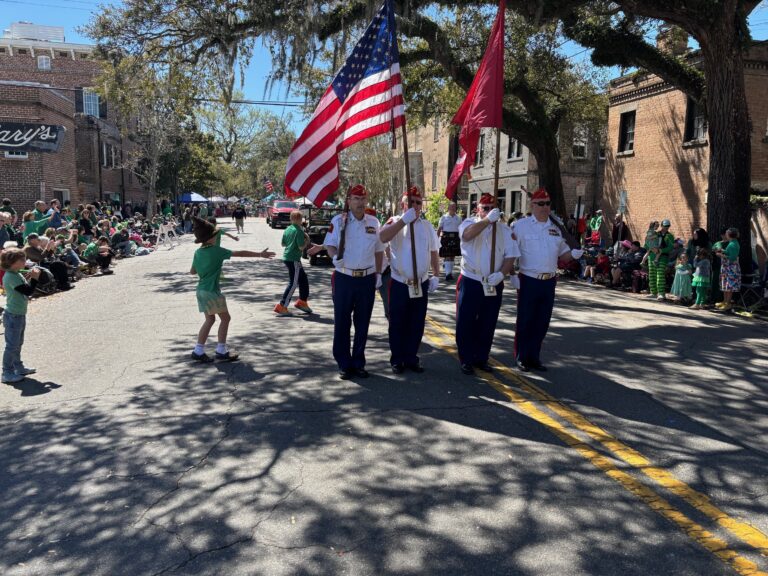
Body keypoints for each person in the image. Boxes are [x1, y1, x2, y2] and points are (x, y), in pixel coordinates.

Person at [513, 188, 583, 372]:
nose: (545, 207)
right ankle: (522, 356)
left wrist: (574, 254)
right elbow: (511, 252)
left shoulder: (556, 228)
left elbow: (564, 255)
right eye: (540, 204)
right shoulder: (521, 226)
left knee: (542, 321)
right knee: (526, 320)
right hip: (528, 279)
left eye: (547, 204)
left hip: (549, 281)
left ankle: (534, 356)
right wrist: (511, 274)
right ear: (532, 205)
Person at [189, 217, 275, 362]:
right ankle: (221, 350)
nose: (217, 236)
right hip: (212, 291)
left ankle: (198, 350)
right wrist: (260, 254)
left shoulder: (198, 252)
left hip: (201, 291)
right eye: (216, 234)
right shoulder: (216, 251)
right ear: (211, 238)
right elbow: (240, 253)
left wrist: (206, 267)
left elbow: (192, 272)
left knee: (209, 320)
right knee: (226, 318)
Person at [321, 185, 384, 380]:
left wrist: (379, 274)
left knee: (363, 323)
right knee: (342, 322)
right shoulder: (339, 221)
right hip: (344, 277)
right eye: (355, 199)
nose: (360, 202)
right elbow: (329, 244)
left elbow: (379, 250)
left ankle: (358, 362)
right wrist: (334, 257)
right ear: (348, 201)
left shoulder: (374, 222)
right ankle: (343, 362)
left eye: (362, 199)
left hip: (366, 278)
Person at [455, 193, 519, 376]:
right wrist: (486, 221)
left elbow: (510, 255)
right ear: (478, 209)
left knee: (487, 322)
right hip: (471, 280)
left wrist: (502, 274)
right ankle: (466, 358)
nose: (490, 211)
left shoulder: (504, 230)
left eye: (493, 208)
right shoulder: (469, 223)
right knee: (466, 322)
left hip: (493, 282)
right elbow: (467, 236)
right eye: (485, 208)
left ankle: (481, 357)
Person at [379, 187, 440, 374]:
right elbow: (382, 237)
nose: (414, 205)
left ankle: (411, 357)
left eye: (418, 202)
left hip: (420, 283)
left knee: (416, 322)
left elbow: (433, 252)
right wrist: (403, 221)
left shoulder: (426, 226)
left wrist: (436, 274)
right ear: (403, 204)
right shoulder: (395, 222)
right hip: (400, 282)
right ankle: (397, 359)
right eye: (410, 202)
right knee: (397, 322)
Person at [1, 248, 41, 383]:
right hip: (13, 316)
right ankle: (7, 373)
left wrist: (29, 276)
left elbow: (22, 287)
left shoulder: (16, 273)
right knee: (12, 345)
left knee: (18, 343)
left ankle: (18, 367)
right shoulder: (11, 276)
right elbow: (28, 291)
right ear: (13, 263)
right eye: (22, 260)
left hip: (19, 314)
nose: (25, 261)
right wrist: (35, 278)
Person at [275, 210, 313, 316]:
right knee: (293, 283)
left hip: (287, 257)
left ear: (291, 219)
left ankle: (302, 301)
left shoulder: (288, 229)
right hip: (294, 259)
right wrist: (307, 241)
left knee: (303, 279)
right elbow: (301, 247)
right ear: (300, 220)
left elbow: (283, 243)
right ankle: (282, 305)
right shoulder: (299, 231)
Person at [645, 219, 674, 301]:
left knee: (660, 275)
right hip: (652, 256)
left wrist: (662, 250)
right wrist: (650, 248)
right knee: (652, 275)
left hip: (663, 257)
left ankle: (661, 293)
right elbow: (646, 243)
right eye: (665, 226)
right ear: (661, 226)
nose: (666, 228)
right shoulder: (655, 234)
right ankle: (653, 292)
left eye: (668, 226)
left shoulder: (670, 236)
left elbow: (670, 247)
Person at [715, 227, 741, 311]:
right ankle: (725, 301)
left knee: (729, 286)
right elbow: (729, 252)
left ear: (729, 235)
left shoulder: (733, 244)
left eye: (726, 233)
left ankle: (728, 303)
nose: (725, 235)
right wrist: (722, 250)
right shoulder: (732, 243)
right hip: (727, 268)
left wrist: (721, 255)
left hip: (731, 269)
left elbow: (732, 258)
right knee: (726, 285)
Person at [438, 202, 462, 281]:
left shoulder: (458, 218)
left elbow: (461, 229)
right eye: (451, 207)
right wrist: (436, 240)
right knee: (448, 255)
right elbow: (439, 229)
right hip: (446, 237)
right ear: (448, 208)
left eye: (454, 207)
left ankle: (450, 273)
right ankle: (447, 274)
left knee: (452, 256)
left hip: (455, 237)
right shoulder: (444, 217)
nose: (453, 209)